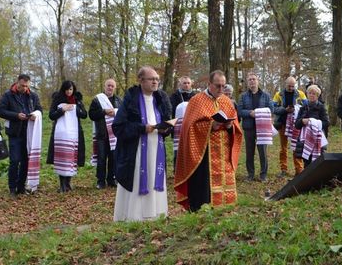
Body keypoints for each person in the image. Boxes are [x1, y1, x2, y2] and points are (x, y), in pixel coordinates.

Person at [175, 70, 243, 211]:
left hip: (224, 151)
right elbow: (189, 127)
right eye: (217, 86)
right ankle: (202, 209)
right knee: (203, 185)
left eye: (223, 86)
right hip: (203, 152)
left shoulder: (226, 101)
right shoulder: (197, 100)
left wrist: (230, 126)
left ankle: (225, 207)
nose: (221, 89)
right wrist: (210, 126)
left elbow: (236, 126)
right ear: (209, 84)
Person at [112, 66, 172, 221]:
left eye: (157, 79)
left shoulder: (161, 99)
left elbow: (167, 121)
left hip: (156, 149)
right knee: (138, 179)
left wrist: (166, 129)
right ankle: (134, 216)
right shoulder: (131, 99)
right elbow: (118, 127)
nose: (155, 82)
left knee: (154, 177)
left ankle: (156, 214)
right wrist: (141, 128)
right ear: (141, 80)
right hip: (136, 150)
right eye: (151, 79)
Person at [0, 74, 43, 197]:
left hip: (29, 132)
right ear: (17, 82)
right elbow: (1, 111)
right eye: (22, 85)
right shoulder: (8, 95)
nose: (24, 88)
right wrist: (16, 115)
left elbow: (40, 110)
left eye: (27, 86)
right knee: (14, 160)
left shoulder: (33, 96)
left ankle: (21, 187)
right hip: (14, 132)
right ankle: (12, 188)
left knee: (26, 160)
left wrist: (35, 115)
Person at [47, 81, 87, 192]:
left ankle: (68, 183)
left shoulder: (77, 100)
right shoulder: (57, 99)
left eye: (71, 89)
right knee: (62, 158)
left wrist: (76, 109)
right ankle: (62, 184)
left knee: (72, 158)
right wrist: (62, 110)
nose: (69, 92)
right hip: (61, 133)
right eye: (67, 89)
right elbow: (51, 115)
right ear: (63, 90)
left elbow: (84, 114)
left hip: (74, 133)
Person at [237, 72, 274, 182]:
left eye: (254, 79)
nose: (252, 81)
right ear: (247, 83)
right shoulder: (243, 96)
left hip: (262, 128)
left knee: (263, 152)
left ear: (258, 81)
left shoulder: (266, 95)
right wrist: (250, 113)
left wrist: (259, 112)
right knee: (249, 152)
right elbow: (239, 111)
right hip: (249, 128)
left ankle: (263, 175)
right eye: (250, 80)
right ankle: (250, 175)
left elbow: (271, 109)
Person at [89, 78, 122, 189]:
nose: (110, 88)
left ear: (115, 88)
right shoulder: (97, 100)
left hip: (115, 134)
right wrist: (104, 112)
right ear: (104, 86)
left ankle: (111, 179)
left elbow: (124, 114)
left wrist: (115, 112)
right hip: (102, 133)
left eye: (112, 86)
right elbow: (91, 115)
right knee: (101, 158)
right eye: (108, 85)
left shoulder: (119, 100)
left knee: (113, 158)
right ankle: (100, 181)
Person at [272, 76, 307, 176]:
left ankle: (299, 170)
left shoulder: (300, 94)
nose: (291, 88)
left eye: (293, 86)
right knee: (283, 147)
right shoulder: (278, 94)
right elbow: (273, 108)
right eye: (289, 86)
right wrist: (285, 110)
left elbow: (306, 107)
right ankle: (284, 169)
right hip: (283, 124)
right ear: (285, 84)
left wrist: (297, 109)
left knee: (296, 146)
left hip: (296, 125)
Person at [295, 85, 330, 167]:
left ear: (317, 96)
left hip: (318, 139)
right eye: (309, 93)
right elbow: (297, 125)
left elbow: (326, 122)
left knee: (318, 164)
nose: (311, 95)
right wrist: (302, 121)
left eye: (314, 94)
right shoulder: (303, 108)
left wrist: (314, 123)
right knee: (307, 163)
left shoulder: (321, 107)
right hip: (305, 140)